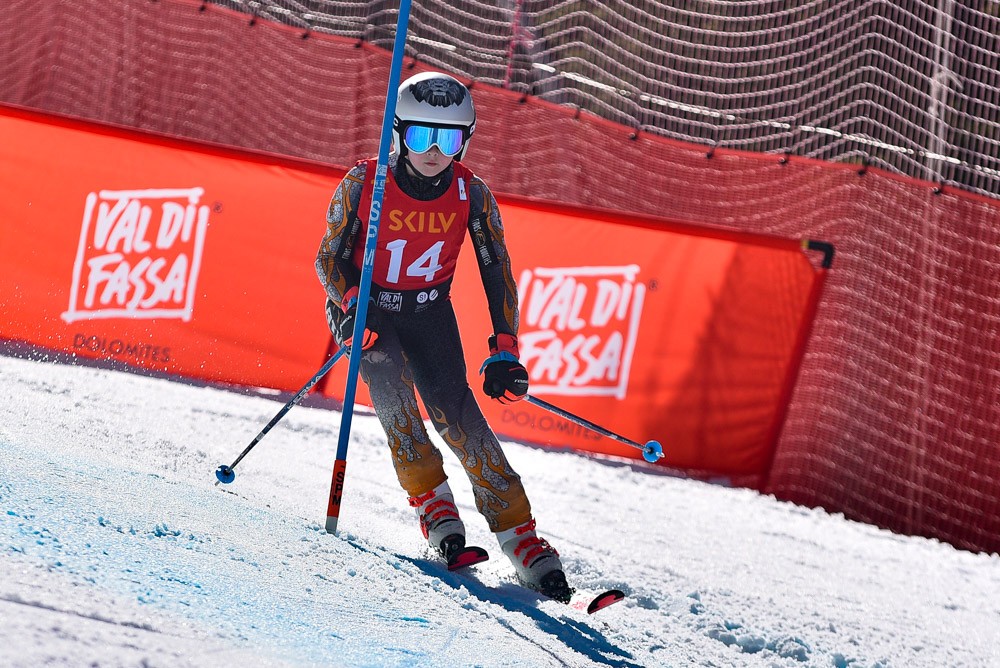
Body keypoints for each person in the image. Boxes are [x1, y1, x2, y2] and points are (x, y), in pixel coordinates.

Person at [315, 71, 571, 601]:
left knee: (457, 414)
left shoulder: (470, 194)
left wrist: (506, 349)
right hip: (367, 313)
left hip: (429, 312)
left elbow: (496, 269)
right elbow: (327, 259)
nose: (434, 152)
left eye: (448, 140)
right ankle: (434, 507)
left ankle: (519, 535)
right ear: (398, 134)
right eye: (420, 136)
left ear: (465, 141)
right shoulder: (364, 183)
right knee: (391, 390)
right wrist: (351, 304)